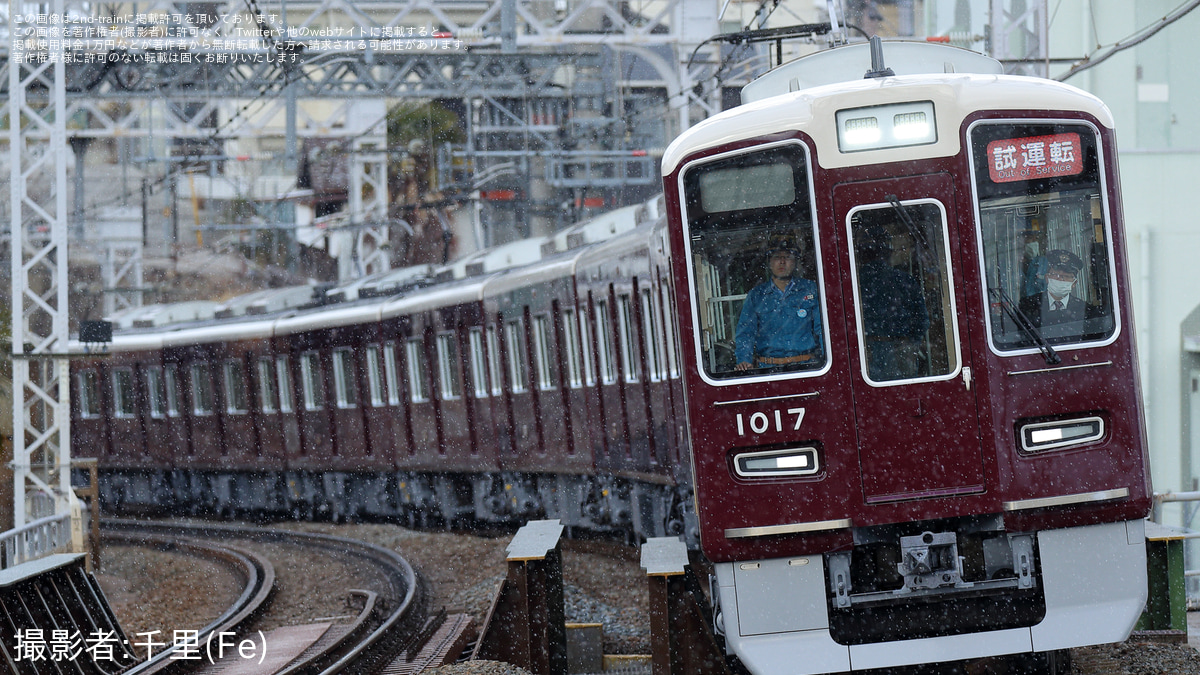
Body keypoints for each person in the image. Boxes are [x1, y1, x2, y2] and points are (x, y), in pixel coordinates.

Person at [733, 235, 823, 371]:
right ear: (769, 262)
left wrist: (830, 357)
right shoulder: (756, 295)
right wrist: (744, 360)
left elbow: (822, 328)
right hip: (768, 369)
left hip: (807, 367)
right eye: (776, 257)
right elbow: (746, 332)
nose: (782, 262)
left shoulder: (810, 289)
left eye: (787, 256)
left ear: (795, 261)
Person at [855, 227, 929, 381]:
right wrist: (910, 343)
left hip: (865, 352)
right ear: (888, 253)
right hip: (900, 348)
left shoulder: (852, 284)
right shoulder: (904, 280)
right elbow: (921, 319)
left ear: (861, 256)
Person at [1019, 249, 1086, 326]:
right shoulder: (1028, 305)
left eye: (1066, 277)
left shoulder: (1083, 308)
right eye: (1056, 275)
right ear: (1047, 278)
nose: (1060, 279)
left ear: (1074, 283)